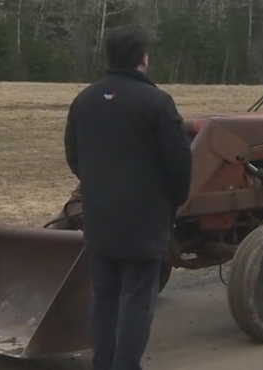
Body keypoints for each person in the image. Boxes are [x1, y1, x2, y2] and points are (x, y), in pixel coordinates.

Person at [63, 24, 193, 370]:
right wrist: (172, 203)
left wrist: (99, 187)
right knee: (136, 301)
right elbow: (180, 165)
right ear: (144, 60)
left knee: (103, 298)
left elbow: (73, 155)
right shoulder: (158, 104)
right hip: (144, 222)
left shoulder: (84, 100)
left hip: (100, 219)